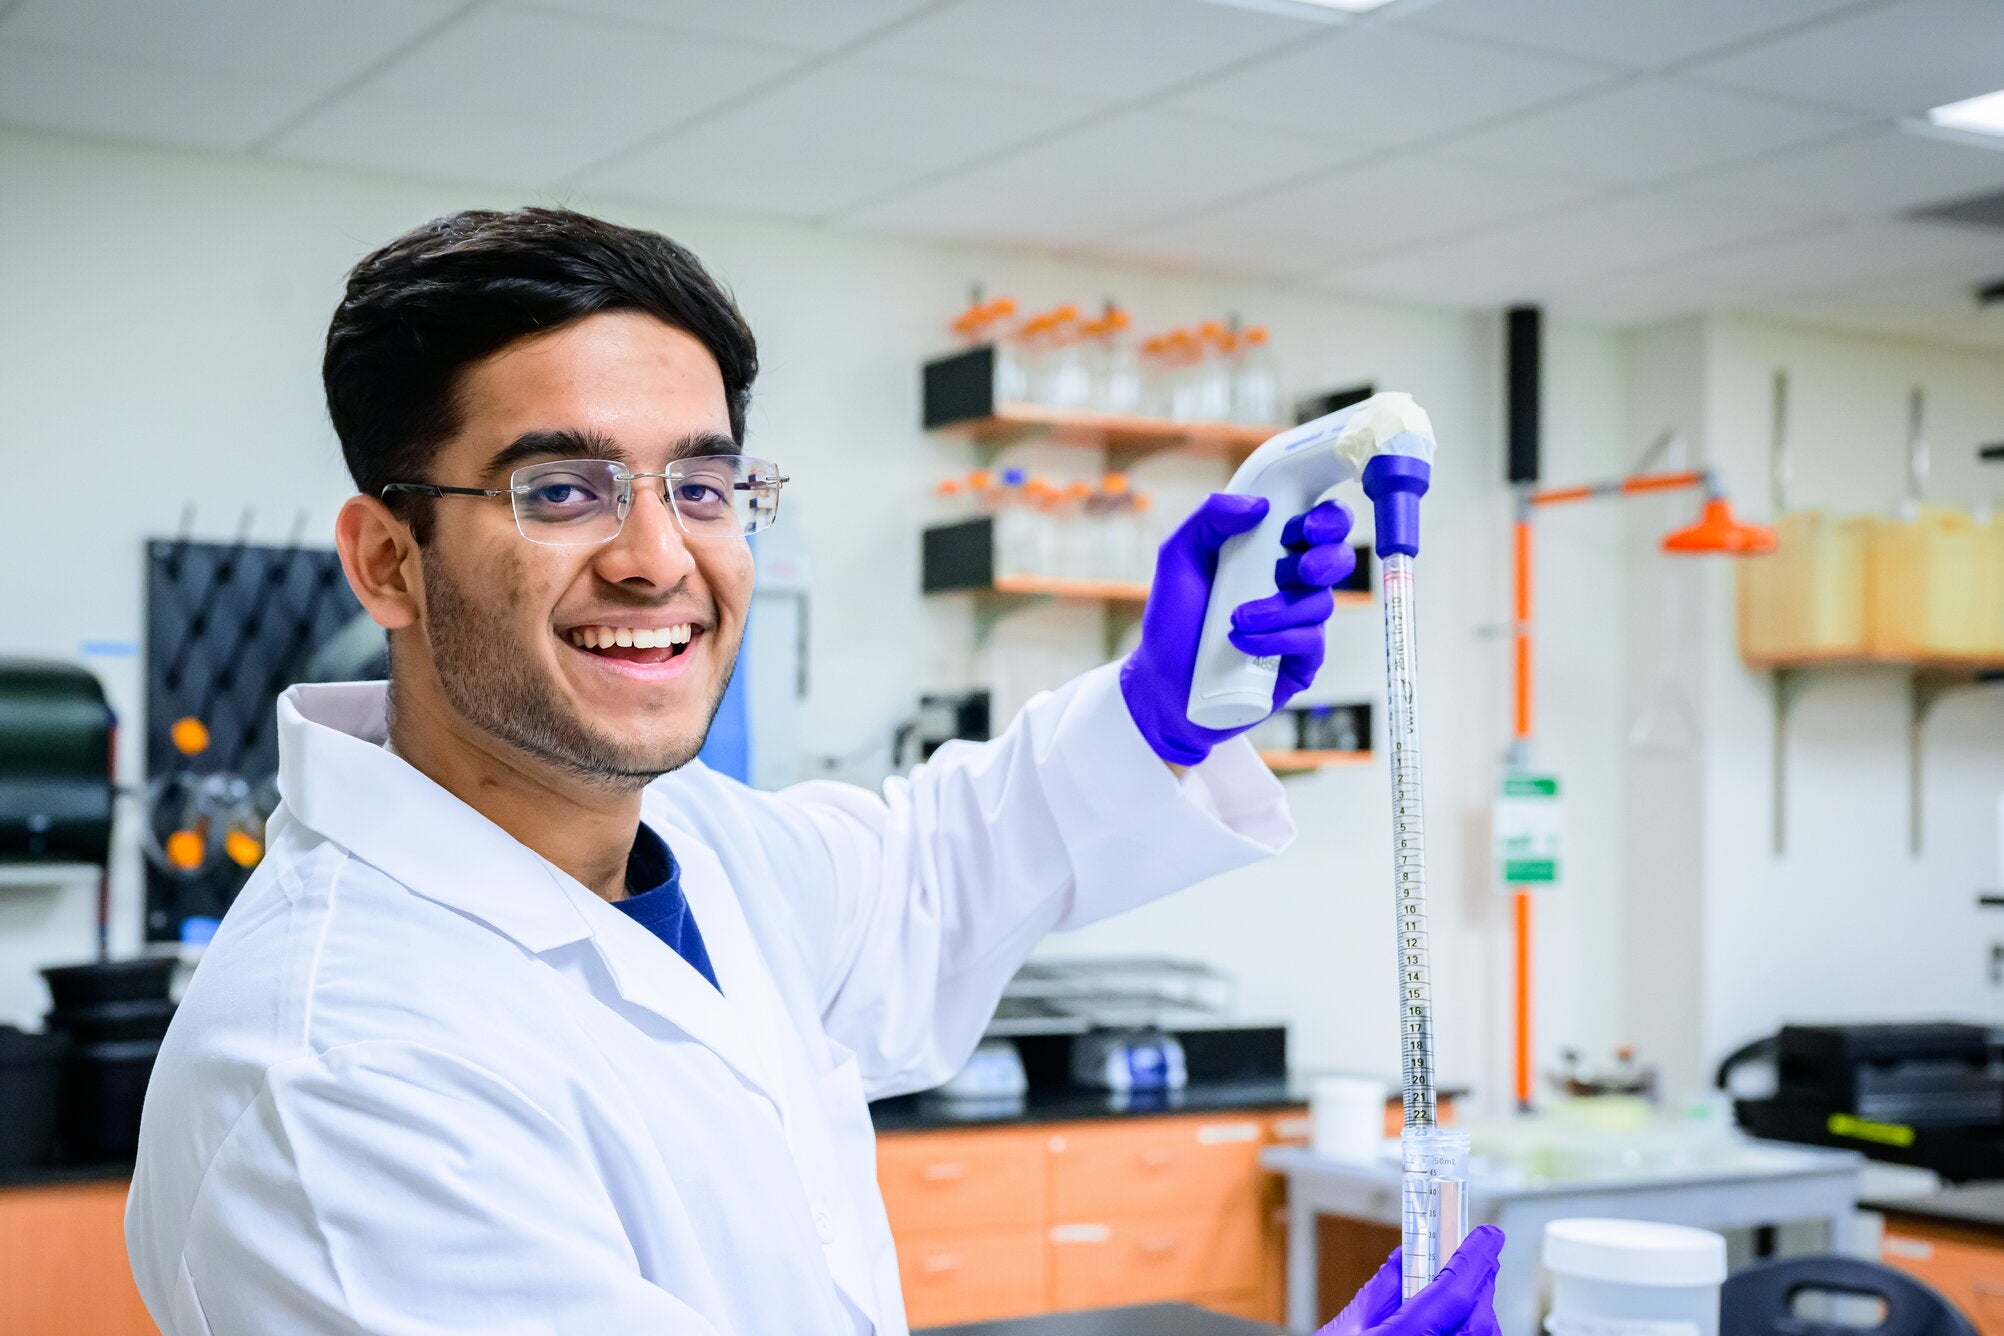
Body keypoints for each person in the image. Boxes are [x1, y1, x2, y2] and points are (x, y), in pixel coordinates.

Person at [125, 207, 1500, 1334]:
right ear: (386, 561)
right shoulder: (334, 1078)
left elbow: (938, 869)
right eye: (561, 489)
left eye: (705, 486)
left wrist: (1166, 712)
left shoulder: (704, 848)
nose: (658, 557)